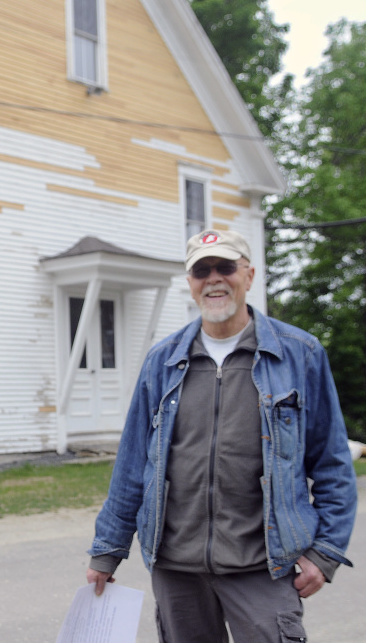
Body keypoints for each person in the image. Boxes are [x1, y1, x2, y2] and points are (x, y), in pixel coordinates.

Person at [86, 229, 357, 642]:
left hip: (263, 567)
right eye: (202, 270)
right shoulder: (163, 361)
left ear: (248, 275)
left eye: (225, 267)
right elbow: (132, 465)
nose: (214, 278)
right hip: (177, 570)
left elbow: (333, 462)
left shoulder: (299, 354)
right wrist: (107, 550)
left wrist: (325, 553)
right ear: (191, 283)